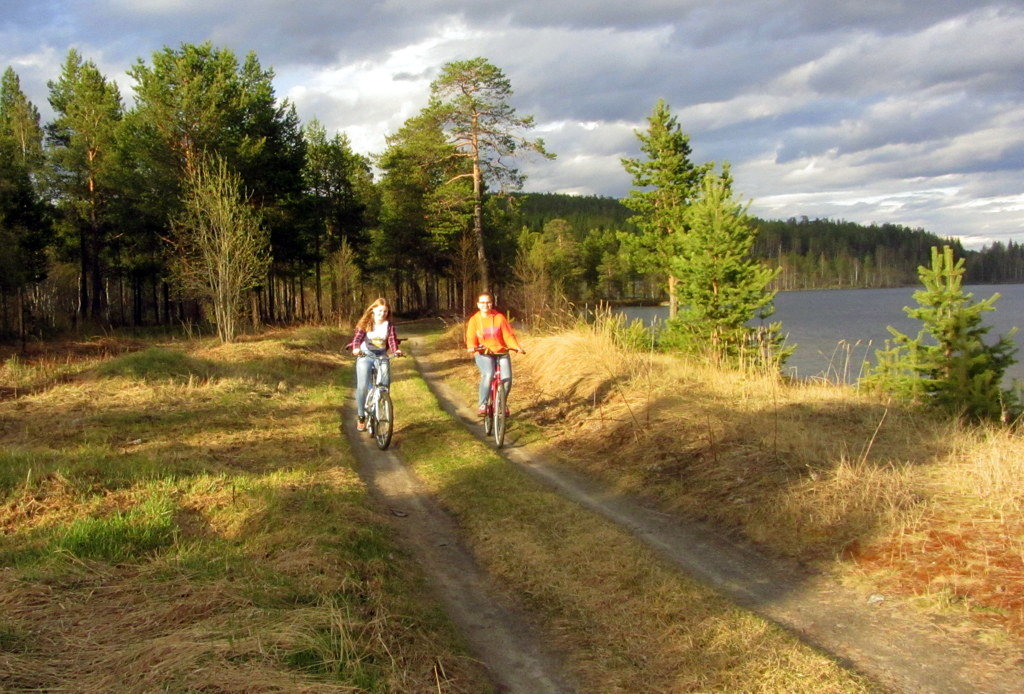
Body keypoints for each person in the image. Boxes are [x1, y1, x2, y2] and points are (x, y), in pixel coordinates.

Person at [465, 292, 523, 416]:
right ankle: (483, 405)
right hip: (483, 352)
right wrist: (471, 347)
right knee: (489, 374)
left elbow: (508, 335)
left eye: (488, 302)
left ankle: (501, 403)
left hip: (501, 352)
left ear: (492, 303)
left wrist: (516, 346)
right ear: (478, 304)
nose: (485, 305)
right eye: (482, 302)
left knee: (507, 379)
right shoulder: (474, 320)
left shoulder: (499, 318)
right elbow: (471, 337)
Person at [348, 298, 402, 431]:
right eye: (379, 311)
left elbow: (392, 340)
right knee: (362, 386)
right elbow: (357, 339)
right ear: (373, 310)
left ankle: (381, 407)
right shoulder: (365, 323)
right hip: (365, 355)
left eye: (385, 311)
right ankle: (361, 416)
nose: (382, 314)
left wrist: (396, 350)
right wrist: (356, 349)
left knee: (385, 383)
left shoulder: (389, 325)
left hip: (381, 355)